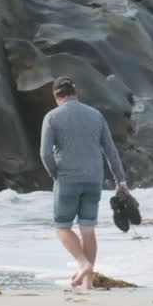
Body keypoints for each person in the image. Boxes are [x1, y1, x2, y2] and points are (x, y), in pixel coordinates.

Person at [39, 76, 129, 290]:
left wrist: (55, 174)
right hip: (93, 179)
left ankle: (83, 264)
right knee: (87, 229)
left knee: (62, 227)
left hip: (67, 178)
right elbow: (110, 151)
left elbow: (45, 154)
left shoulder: (52, 117)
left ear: (56, 96)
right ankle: (87, 283)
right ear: (76, 92)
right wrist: (120, 180)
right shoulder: (96, 115)